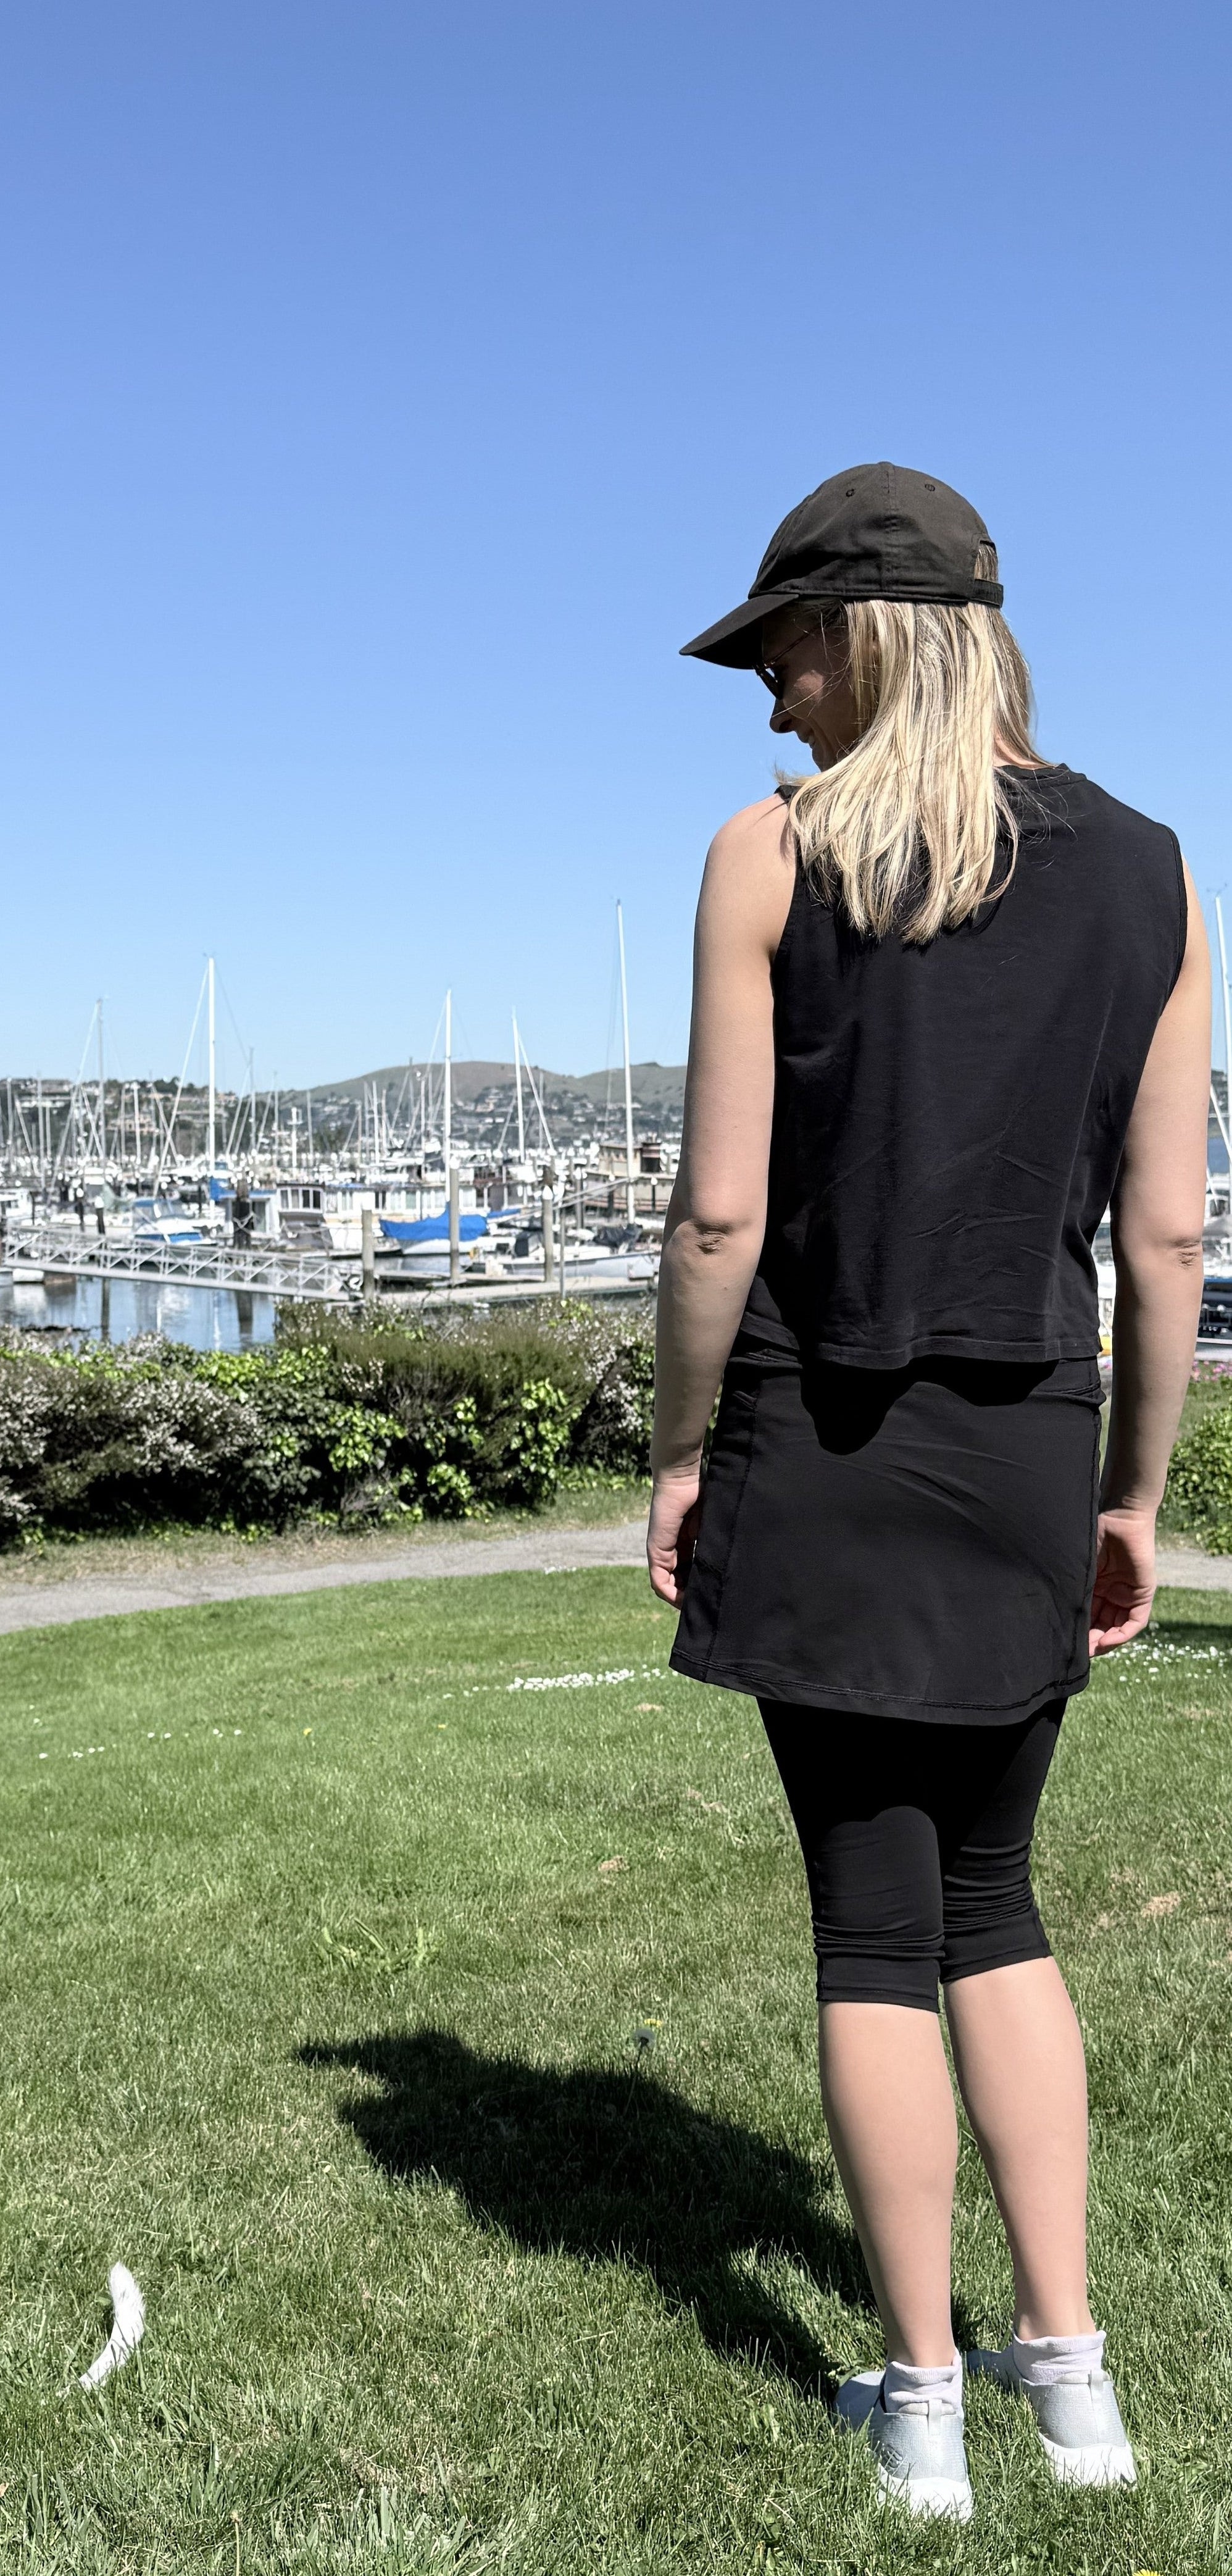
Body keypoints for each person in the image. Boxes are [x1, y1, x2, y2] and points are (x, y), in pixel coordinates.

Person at [652, 463, 1207, 2519]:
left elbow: (718, 1217)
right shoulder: (1151, 870)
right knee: (998, 1903)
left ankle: (920, 2411)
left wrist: (680, 1449)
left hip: (817, 1437)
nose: (769, 695)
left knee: (871, 1930)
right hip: (1021, 1452)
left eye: (784, 647)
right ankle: (1073, 2386)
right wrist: (1131, 1492)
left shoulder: (764, 861)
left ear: (866, 635)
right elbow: (1164, 1246)